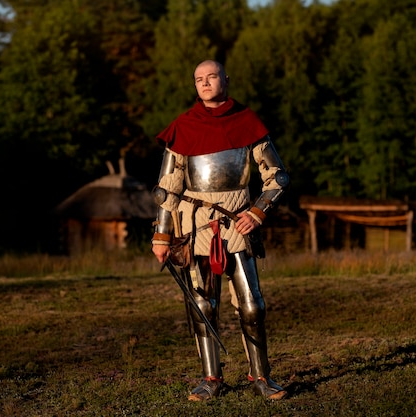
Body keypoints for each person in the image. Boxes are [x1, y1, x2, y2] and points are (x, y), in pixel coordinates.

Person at [151, 60, 289, 401]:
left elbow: (278, 176)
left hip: (237, 220)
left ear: (225, 79)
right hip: (195, 223)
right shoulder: (183, 127)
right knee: (203, 303)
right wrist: (162, 236)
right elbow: (167, 188)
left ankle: (261, 376)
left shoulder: (248, 122)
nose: (205, 83)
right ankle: (210, 378)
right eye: (199, 79)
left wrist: (257, 212)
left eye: (211, 77)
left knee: (252, 304)